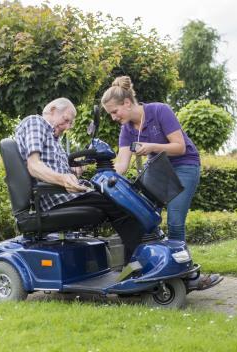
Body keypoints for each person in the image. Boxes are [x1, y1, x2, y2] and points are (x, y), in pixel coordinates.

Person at [101, 76, 222, 290]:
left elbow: (180, 147)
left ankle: (188, 278)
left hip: (184, 166)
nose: (113, 117)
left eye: (114, 111)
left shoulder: (159, 111)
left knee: (175, 221)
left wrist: (151, 147)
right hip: (158, 169)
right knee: (146, 217)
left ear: (127, 103)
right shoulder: (127, 129)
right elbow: (121, 164)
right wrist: (105, 178)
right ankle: (157, 269)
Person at [14, 97, 145, 265]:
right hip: (56, 199)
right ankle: (137, 266)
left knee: (119, 197)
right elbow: (34, 166)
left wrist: (76, 169)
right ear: (52, 110)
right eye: (66, 120)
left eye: (70, 123)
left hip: (65, 195)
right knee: (121, 204)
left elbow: (60, 170)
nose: (67, 126)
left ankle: (132, 264)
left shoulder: (52, 138)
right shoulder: (36, 122)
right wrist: (63, 179)